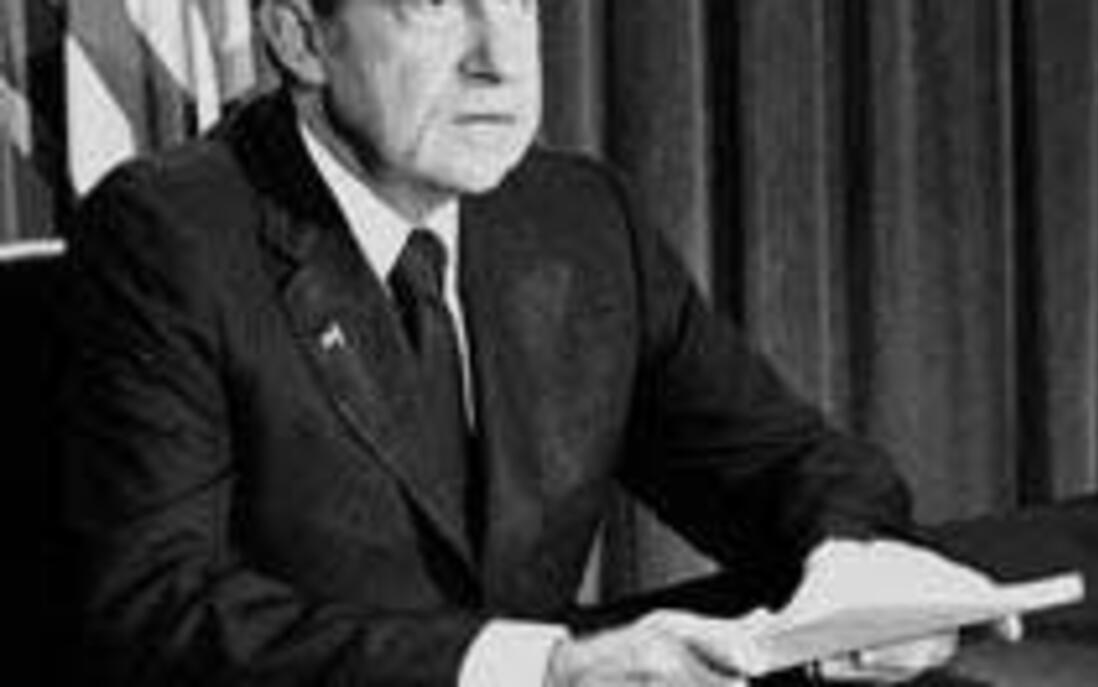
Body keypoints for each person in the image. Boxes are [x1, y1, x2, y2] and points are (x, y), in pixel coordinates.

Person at [59, 0, 1017, 684]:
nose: (501, 61)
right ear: (301, 37)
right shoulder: (170, 234)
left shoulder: (576, 214)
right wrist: (543, 667)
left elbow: (776, 462)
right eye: (436, 7)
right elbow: (154, 602)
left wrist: (854, 578)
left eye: (518, 2)